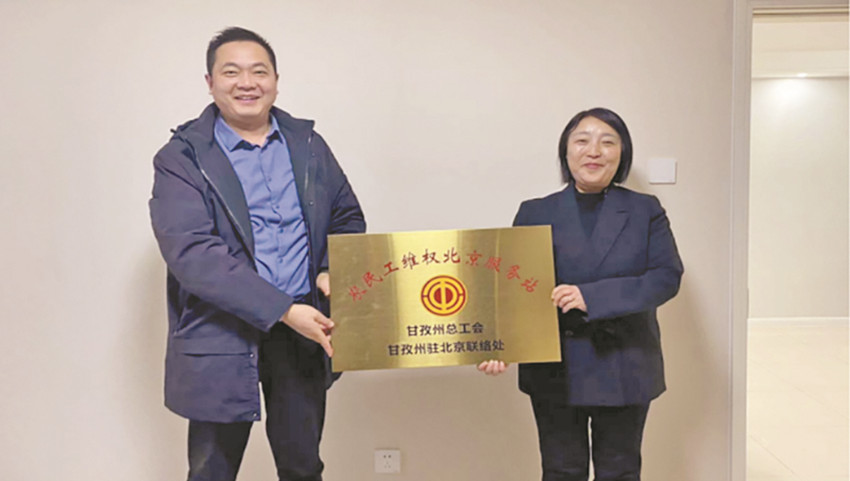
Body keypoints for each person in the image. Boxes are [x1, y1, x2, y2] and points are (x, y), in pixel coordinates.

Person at [149, 27, 365, 481]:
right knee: (212, 470)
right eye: (232, 72)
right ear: (210, 82)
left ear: (276, 81)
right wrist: (282, 308)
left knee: (303, 465)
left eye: (259, 71)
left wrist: (331, 270)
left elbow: (346, 216)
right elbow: (193, 254)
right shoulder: (182, 157)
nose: (247, 83)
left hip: (302, 328)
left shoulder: (308, 144)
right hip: (221, 330)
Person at [478, 108, 683, 481]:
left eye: (608, 142)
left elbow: (666, 277)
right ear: (566, 151)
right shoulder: (534, 211)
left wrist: (594, 297)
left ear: (622, 153)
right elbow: (512, 290)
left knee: (620, 470)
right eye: (582, 140)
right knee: (561, 470)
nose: (594, 151)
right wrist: (499, 343)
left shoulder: (645, 210)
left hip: (625, 363)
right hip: (555, 366)